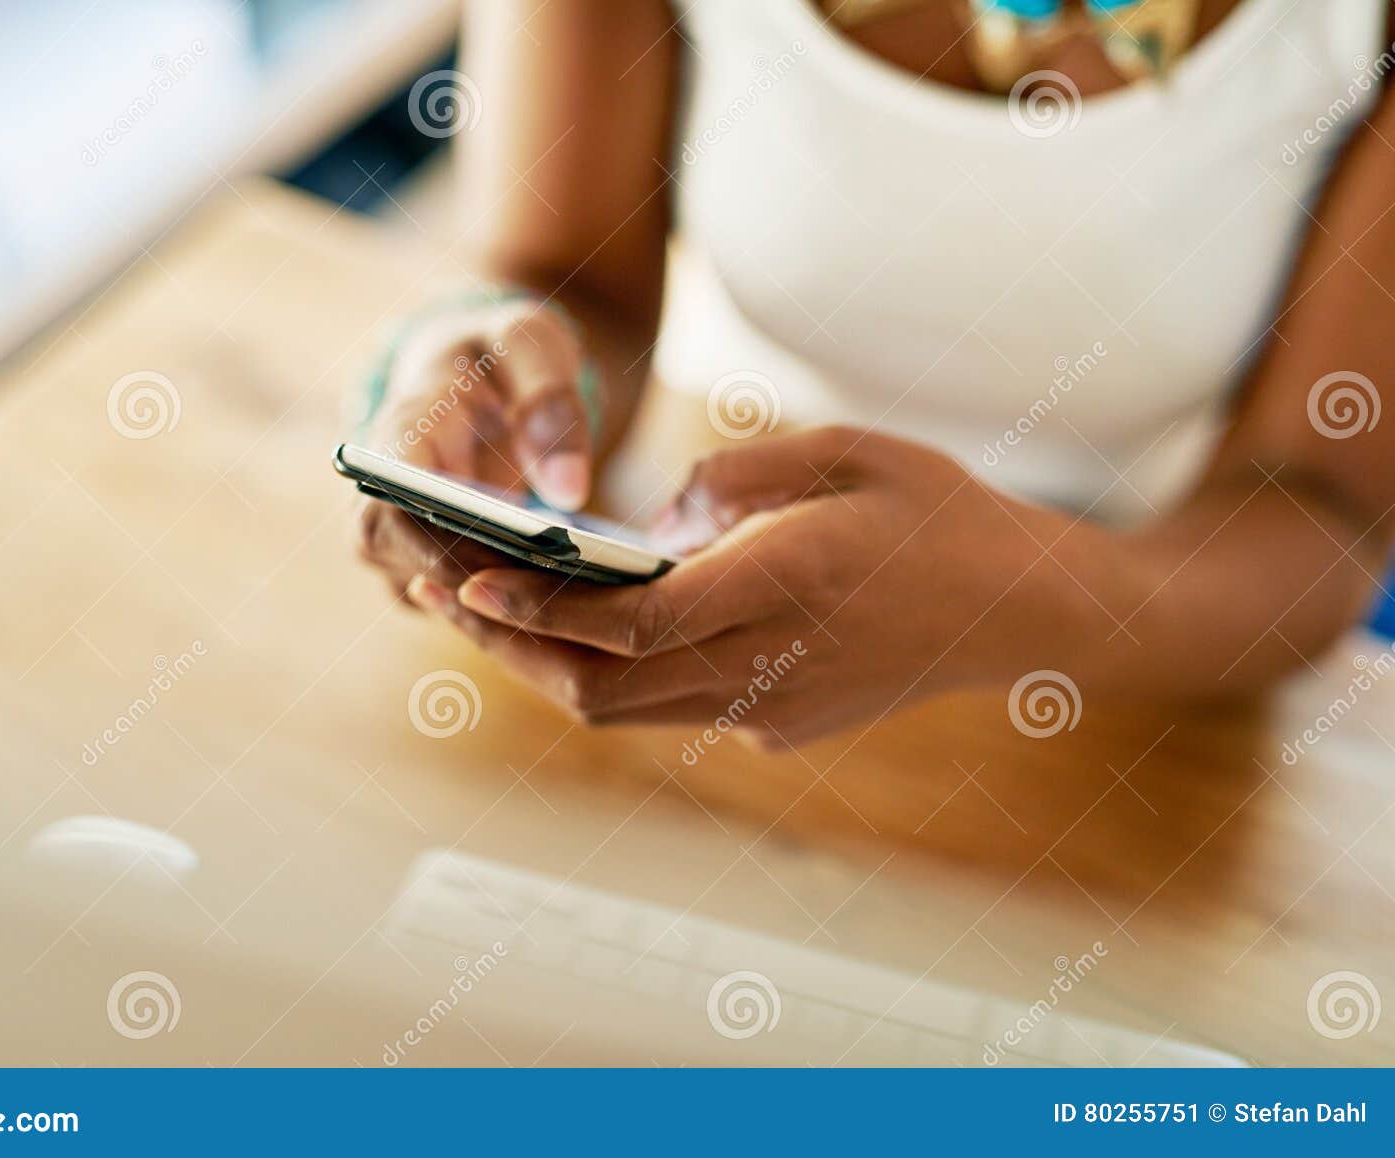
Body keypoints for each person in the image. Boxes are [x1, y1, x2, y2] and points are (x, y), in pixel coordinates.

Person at [352, 0, 1395, 750]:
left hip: (1143, 675)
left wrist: (1014, 606)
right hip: (704, 579)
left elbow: (1322, 511)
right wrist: (497, 379)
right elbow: (576, 286)